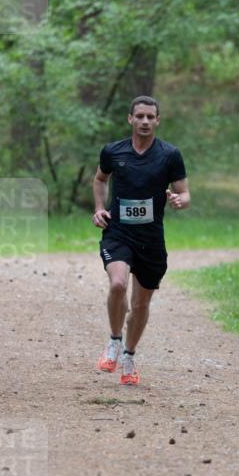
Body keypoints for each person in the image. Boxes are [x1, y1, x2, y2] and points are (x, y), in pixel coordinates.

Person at [92, 95, 190, 384]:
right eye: (140, 116)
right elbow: (100, 179)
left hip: (151, 239)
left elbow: (184, 192)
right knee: (118, 284)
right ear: (130, 119)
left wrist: (179, 200)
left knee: (141, 306)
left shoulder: (169, 155)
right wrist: (99, 208)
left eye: (151, 117)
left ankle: (129, 356)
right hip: (119, 232)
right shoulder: (113, 151)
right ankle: (113, 341)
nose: (145, 121)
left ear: (158, 120)